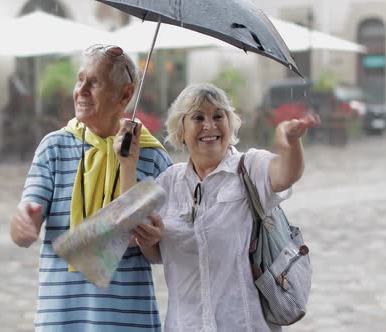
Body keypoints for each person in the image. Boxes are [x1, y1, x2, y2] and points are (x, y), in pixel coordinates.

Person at [126, 83, 320, 331]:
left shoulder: (249, 167)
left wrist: (291, 142)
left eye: (218, 116)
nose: (210, 125)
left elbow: (286, 173)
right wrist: (128, 164)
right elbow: (155, 253)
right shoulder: (168, 182)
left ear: (230, 123)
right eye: (198, 117)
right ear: (181, 129)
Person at [9, 44, 172, 332]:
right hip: (61, 319)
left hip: (127, 321)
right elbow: (25, 224)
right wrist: (23, 221)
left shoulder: (155, 158)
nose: (81, 90)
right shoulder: (54, 148)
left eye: (94, 82)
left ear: (125, 94)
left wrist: (152, 241)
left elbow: (159, 254)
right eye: (80, 79)